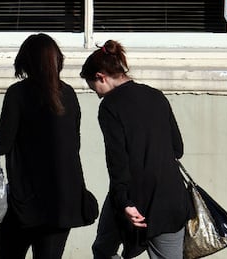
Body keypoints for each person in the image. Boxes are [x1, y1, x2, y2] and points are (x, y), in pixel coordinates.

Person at [0, 33, 98, 259]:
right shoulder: (68, 94)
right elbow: (74, 144)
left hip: (25, 202)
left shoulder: (18, 93)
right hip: (63, 200)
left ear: (25, 61)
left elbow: (0, 145)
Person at [80, 40, 193, 259]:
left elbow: (117, 160)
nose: (96, 93)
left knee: (104, 250)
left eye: (93, 87)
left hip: (129, 197)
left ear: (101, 76)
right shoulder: (156, 96)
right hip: (169, 198)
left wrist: (124, 202)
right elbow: (177, 148)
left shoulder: (110, 106)